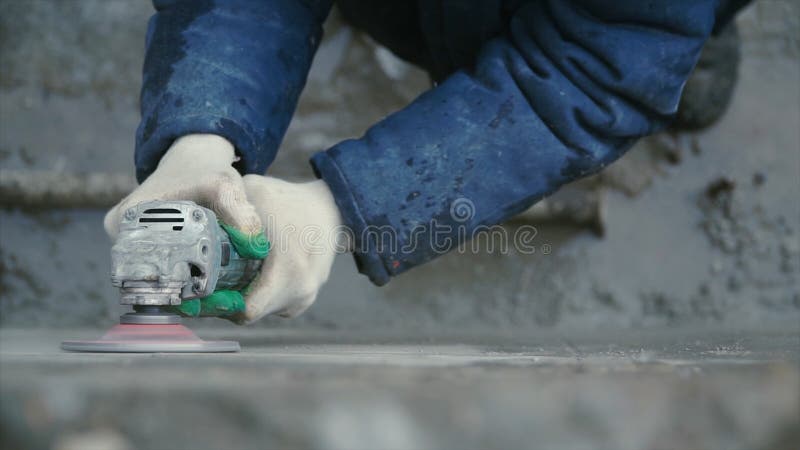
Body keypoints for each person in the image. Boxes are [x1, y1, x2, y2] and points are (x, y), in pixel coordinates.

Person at [105, 0, 749, 323]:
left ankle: (682, 56)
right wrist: (199, 133)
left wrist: (338, 211)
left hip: (617, 21)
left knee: (648, 69)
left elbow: (589, 72)